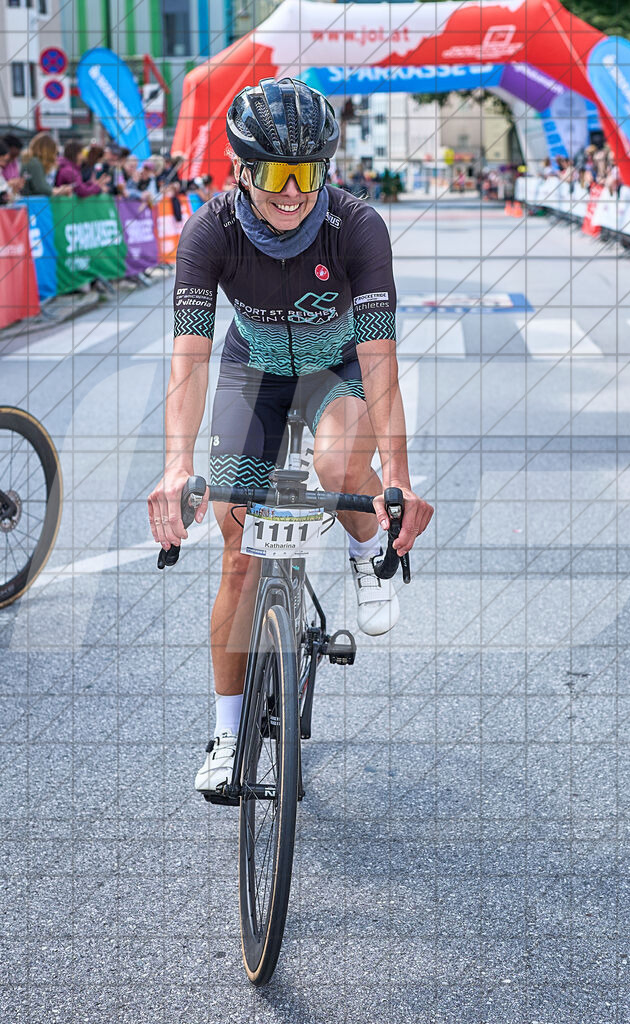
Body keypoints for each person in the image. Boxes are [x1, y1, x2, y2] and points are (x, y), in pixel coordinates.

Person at [147, 78, 433, 794]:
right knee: (236, 551)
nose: (292, 192)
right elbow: (188, 360)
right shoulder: (209, 232)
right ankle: (225, 728)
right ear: (240, 168)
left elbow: (379, 357)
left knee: (342, 465)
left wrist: (398, 474)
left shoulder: (355, 226)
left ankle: (367, 550)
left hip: (333, 370)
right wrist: (176, 465)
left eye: (308, 173)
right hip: (255, 372)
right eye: (273, 172)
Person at [20, 132, 71, 196]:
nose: (55, 155)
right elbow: (41, 187)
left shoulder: (31, 160)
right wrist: (60, 191)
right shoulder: (34, 162)